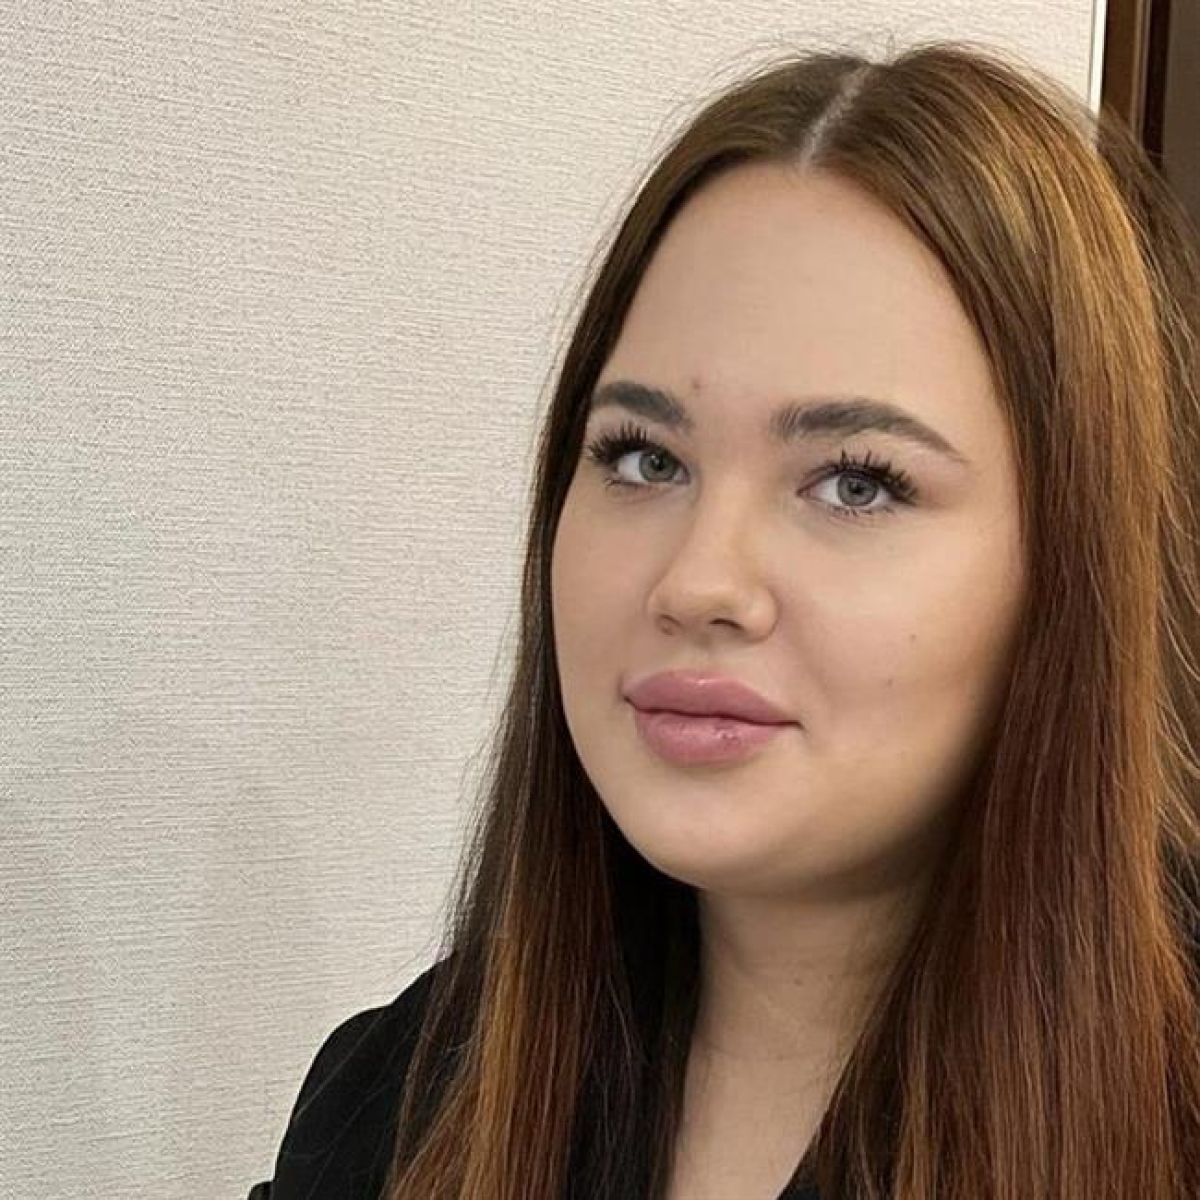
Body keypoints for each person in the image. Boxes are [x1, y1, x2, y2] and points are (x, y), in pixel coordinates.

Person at [250, 37, 1200, 1200]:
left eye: (857, 482)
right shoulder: (392, 1108)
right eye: (644, 458)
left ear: (1072, 563)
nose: (699, 582)